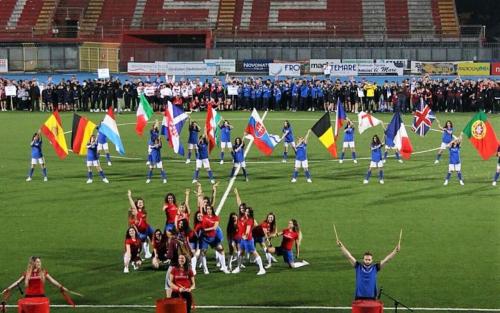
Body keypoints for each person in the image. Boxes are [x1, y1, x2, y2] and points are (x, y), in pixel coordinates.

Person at [336, 239, 400, 299]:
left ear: (372, 260)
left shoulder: (375, 267)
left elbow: (387, 260)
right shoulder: (358, 266)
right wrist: (341, 246)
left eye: (369, 259)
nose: (367, 261)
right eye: (366, 259)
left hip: (372, 297)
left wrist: (395, 251)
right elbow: (349, 256)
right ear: (363, 259)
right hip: (359, 297)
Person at [1, 256, 69, 298]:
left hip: (41, 296)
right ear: (33, 263)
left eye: (40, 262)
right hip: (29, 296)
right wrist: (8, 289)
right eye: (37, 262)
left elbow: (53, 281)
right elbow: (17, 282)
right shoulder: (27, 273)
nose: (39, 263)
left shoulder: (43, 272)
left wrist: (61, 287)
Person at [232, 207, 266, 275]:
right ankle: (238, 267)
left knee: (254, 252)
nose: (246, 213)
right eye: (246, 211)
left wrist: (245, 236)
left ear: (250, 213)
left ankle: (262, 269)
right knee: (241, 253)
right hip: (242, 239)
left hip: (248, 240)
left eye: (248, 212)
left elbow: (247, 231)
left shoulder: (250, 220)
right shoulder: (243, 217)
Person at [127, 190, 154, 258]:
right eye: (139, 202)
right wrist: (129, 196)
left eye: (141, 202)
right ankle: (137, 256)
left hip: (147, 228)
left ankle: (150, 252)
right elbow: (133, 206)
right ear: (136, 204)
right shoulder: (135, 212)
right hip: (140, 232)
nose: (140, 203)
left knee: (153, 236)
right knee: (142, 242)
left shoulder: (144, 211)